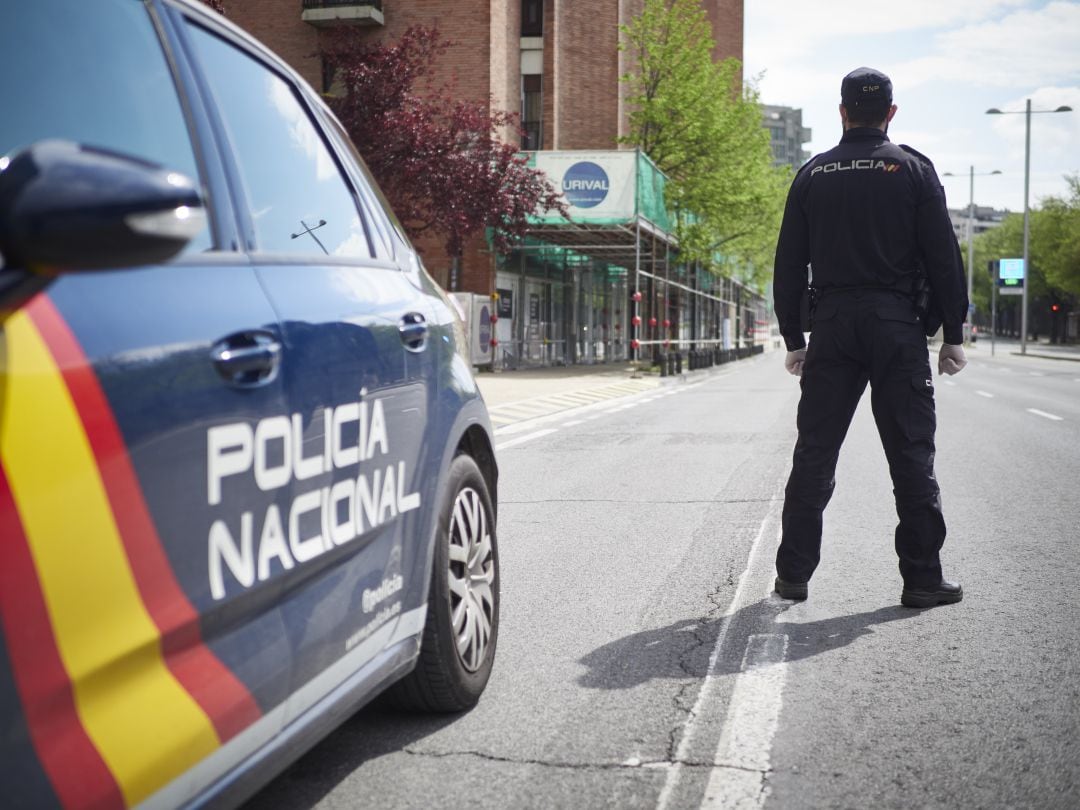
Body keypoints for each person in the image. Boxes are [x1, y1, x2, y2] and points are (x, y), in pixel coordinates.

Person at [771, 67, 969, 609]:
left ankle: (793, 575)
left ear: (841, 113)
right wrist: (953, 333)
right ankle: (923, 579)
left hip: (832, 326)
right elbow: (943, 258)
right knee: (910, 455)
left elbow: (788, 263)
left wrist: (794, 338)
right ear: (891, 112)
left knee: (814, 453)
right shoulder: (912, 169)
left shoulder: (813, 173)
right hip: (897, 325)